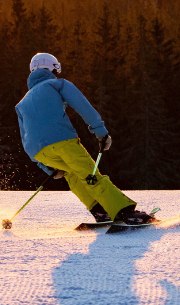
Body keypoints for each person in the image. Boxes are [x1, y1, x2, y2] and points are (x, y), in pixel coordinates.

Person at [15, 52, 153, 225]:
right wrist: (101, 132)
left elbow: (24, 136)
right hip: (63, 141)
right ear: (52, 68)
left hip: (39, 152)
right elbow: (82, 106)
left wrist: (46, 166)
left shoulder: (22, 102)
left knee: (72, 175)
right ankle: (125, 212)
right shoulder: (57, 84)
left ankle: (101, 211)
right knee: (90, 174)